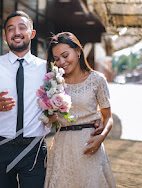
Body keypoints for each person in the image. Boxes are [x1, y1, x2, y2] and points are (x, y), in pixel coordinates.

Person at [0, 11, 103, 188]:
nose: (16, 32)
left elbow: (74, 95)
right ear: (4, 36)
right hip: (0, 147)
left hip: (35, 149)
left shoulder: (48, 68)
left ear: (32, 34)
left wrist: (97, 117)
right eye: (11, 29)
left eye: (22, 27)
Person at [44, 32, 116, 188]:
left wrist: (101, 138)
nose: (61, 62)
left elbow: (108, 118)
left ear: (78, 51)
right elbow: (50, 117)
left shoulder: (97, 80)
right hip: (62, 146)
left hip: (89, 144)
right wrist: (49, 115)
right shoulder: (54, 82)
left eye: (65, 55)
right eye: (56, 59)